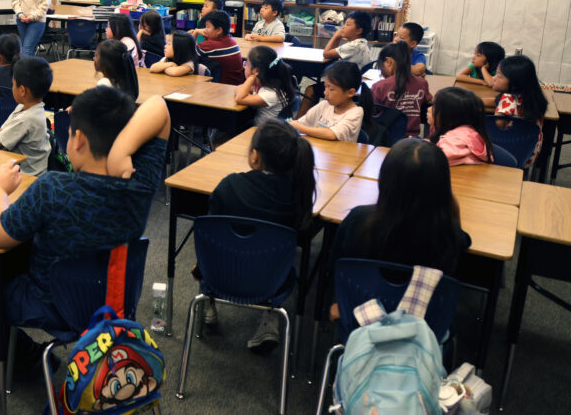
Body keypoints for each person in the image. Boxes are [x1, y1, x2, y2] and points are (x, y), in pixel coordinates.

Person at [0, 90, 170, 371]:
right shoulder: (139, 183)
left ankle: (26, 355)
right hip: (113, 300)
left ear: (78, 139)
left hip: (49, 305)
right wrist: (122, 151)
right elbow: (159, 105)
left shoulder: (53, 188)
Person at [328, 139, 471, 321]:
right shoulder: (448, 235)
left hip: (360, 317)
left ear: (385, 179)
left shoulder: (358, 220)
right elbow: (460, 248)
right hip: (421, 326)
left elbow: (336, 265)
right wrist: (451, 207)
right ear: (442, 187)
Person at [206, 119, 316, 350]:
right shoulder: (298, 195)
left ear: (255, 156)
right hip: (271, 280)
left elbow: (209, 232)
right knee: (279, 256)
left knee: (209, 247)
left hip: (220, 275)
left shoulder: (230, 185)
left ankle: (208, 305)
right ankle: (269, 320)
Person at [0, 57, 52, 176]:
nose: (12, 87)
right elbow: (2, 131)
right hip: (23, 168)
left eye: (13, 84)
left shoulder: (26, 119)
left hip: (27, 177)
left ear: (22, 90)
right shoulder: (25, 107)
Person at [289, 61, 373, 142]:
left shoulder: (356, 112)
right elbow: (301, 123)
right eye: (325, 87)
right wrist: (292, 125)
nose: (325, 92)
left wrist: (299, 128)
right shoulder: (324, 105)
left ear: (350, 92)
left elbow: (332, 134)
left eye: (331, 89)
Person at [489, 55, 548, 166]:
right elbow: (495, 102)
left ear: (515, 82)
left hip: (506, 154)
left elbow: (497, 125)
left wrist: (498, 111)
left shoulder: (507, 98)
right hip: (528, 153)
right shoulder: (535, 98)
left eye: (499, 76)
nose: (493, 78)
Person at [371, 43, 432, 137]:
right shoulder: (422, 83)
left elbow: (372, 114)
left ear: (388, 61)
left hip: (386, 138)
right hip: (412, 139)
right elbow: (428, 102)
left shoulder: (379, 86)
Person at [429, 86, 494, 165]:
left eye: (434, 106)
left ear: (448, 116)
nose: (429, 109)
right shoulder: (464, 130)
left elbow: (434, 160)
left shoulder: (458, 139)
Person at [234, 45, 296, 120]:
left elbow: (239, 98)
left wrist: (251, 78)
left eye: (246, 64)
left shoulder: (270, 94)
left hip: (265, 130)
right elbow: (238, 88)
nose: (244, 67)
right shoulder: (266, 85)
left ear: (256, 71)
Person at [194, 9, 245, 85]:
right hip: (236, 85)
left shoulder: (210, 45)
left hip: (225, 88)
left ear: (218, 30)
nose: (205, 30)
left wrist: (195, 33)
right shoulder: (231, 40)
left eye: (208, 27)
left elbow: (187, 54)